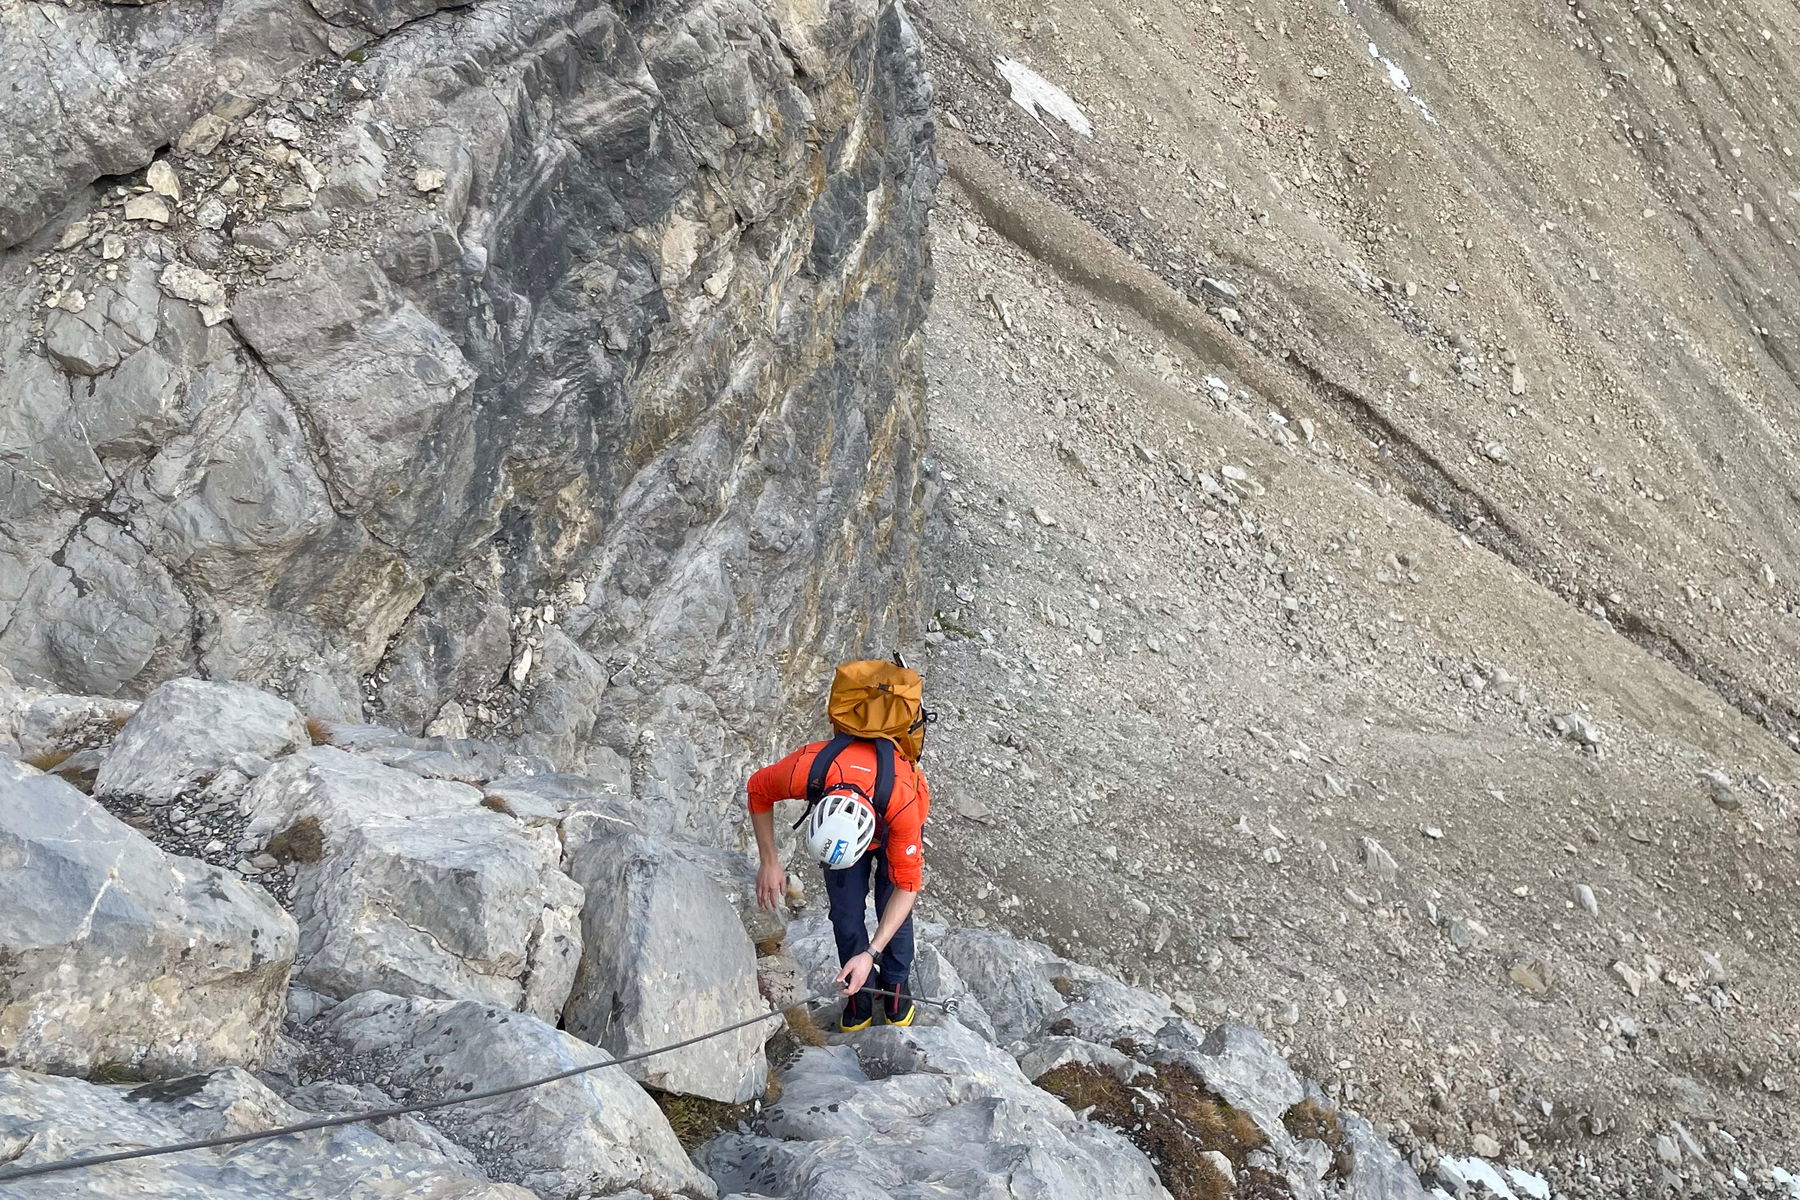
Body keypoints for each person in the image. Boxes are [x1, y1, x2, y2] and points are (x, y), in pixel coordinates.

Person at [747, 661, 934, 1031]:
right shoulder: (809, 767)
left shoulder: (904, 799)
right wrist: (770, 861)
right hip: (858, 820)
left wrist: (871, 953)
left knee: (888, 902)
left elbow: (907, 888)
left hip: (892, 816)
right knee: (846, 913)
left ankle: (895, 985)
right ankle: (858, 994)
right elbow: (758, 789)